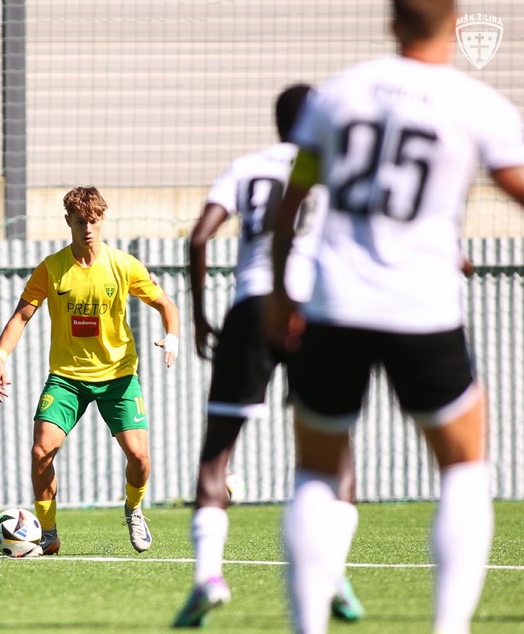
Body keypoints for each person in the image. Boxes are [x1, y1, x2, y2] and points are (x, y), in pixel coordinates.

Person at [266, 1, 524, 632]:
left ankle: (306, 627)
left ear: (392, 20)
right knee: (463, 464)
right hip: (423, 307)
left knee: (316, 473)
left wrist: (280, 293)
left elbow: (290, 204)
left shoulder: (338, 95)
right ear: (457, 21)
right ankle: (449, 627)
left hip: (334, 305)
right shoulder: (476, 104)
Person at [174, 85, 363, 628]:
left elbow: (199, 237)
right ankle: (331, 570)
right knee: (336, 455)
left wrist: (201, 314)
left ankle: (209, 576)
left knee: (217, 456)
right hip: (316, 312)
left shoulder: (247, 166)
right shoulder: (334, 169)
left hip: (251, 309)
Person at [0, 186, 180, 555]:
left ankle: (134, 509)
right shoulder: (51, 268)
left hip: (118, 377)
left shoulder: (124, 265)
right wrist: (0, 355)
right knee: (40, 452)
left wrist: (171, 336)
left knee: (139, 457)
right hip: (67, 378)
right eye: (80, 221)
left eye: (93, 221)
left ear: (102, 220)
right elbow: (21, 316)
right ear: (68, 222)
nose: (88, 228)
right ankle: (48, 533)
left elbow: (165, 304)